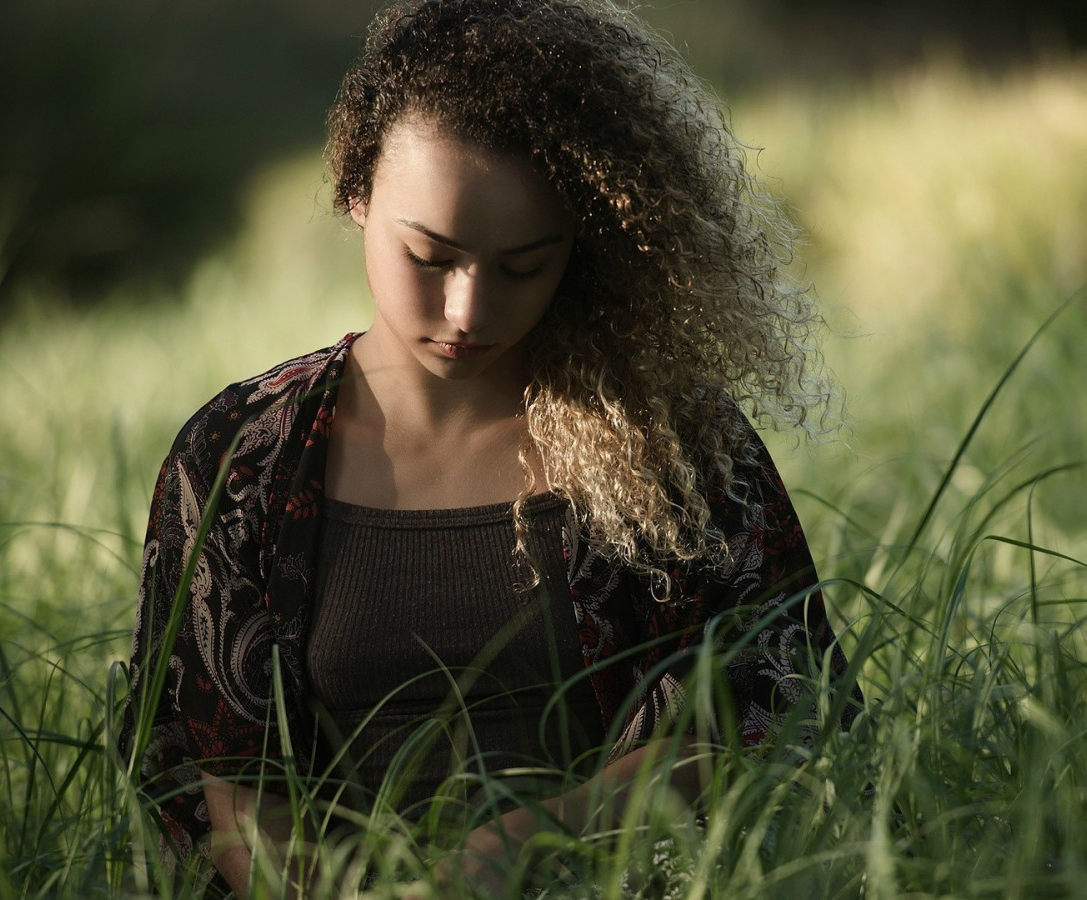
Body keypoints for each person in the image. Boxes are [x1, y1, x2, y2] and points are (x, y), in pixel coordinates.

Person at [120, 0, 862, 895]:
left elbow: (774, 707)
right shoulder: (240, 457)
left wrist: (541, 837)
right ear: (355, 193)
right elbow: (230, 792)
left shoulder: (671, 443)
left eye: (522, 267)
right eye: (430, 258)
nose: (469, 311)